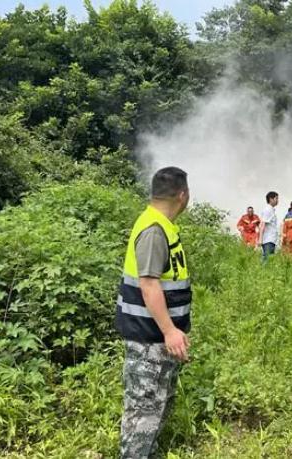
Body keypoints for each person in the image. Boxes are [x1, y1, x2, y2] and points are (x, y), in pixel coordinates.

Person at [115, 167, 192, 459]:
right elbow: (148, 285)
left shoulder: (161, 225)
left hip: (157, 338)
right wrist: (170, 330)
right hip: (149, 339)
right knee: (144, 411)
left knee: (156, 407)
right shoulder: (153, 231)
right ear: (182, 195)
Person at [258, 191, 279, 262]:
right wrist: (260, 239)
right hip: (268, 240)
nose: (277, 201)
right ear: (271, 199)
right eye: (276, 198)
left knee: (269, 260)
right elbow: (262, 224)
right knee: (267, 261)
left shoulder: (271, 210)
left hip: (271, 240)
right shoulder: (268, 210)